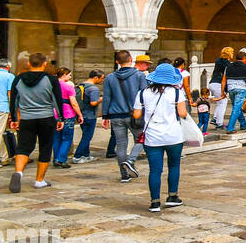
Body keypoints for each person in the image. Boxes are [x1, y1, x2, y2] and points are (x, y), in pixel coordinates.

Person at [7, 52, 64, 192]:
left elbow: (14, 100)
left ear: (28, 63)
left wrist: (14, 118)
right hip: (46, 117)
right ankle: (39, 180)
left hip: (26, 118)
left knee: (23, 147)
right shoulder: (51, 79)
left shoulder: (18, 79)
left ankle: (19, 172)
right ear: (44, 64)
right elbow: (57, 100)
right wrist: (61, 118)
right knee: (45, 147)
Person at [135, 62, 187, 213]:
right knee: (174, 166)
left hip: (152, 136)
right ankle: (172, 196)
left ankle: (155, 202)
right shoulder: (177, 93)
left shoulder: (143, 93)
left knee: (155, 170)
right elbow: (183, 113)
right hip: (173, 135)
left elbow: (137, 115)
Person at [101, 51, 149, 182]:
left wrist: (105, 116)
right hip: (135, 114)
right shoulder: (139, 75)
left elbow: (107, 97)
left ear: (117, 62)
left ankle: (124, 175)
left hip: (116, 115)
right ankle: (130, 160)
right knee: (142, 139)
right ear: (131, 60)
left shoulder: (110, 77)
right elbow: (144, 95)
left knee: (121, 145)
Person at [51, 67, 84, 168]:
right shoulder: (68, 87)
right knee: (67, 138)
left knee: (56, 138)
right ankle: (62, 159)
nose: (70, 77)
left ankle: (56, 159)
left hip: (53, 113)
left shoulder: (51, 86)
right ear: (64, 75)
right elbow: (74, 103)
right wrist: (80, 114)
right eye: (69, 75)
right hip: (67, 113)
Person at [72, 70, 103, 162]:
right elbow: (93, 103)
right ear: (96, 78)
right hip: (90, 115)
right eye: (101, 78)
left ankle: (86, 155)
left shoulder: (80, 85)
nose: (102, 80)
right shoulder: (93, 89)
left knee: (85, 135)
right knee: (87, 137)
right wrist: (101, 99)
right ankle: (77, 156)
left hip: (80, 114)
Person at [221, 48, 246, 133]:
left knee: (237, 107)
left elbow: (224, 80)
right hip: (241, 88)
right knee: (236, 108)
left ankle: (243, 124)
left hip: (230, 89)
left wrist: (222, 91)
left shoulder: (228, 66)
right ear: (244, 58)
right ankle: (230, 128)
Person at [209, 47, 232, 126]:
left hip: (212, 83)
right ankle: (219, 123)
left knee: (220, 103)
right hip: (219, 84)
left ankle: (215, 118)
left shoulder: (218, 60)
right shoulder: (227, 63)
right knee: (223, 103)